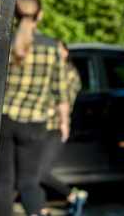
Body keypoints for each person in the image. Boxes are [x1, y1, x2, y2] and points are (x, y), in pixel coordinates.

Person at [0, 0, 69, 216]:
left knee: (3, 183)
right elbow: (61, 90)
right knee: (29, 182)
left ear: (15, 15)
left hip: (3, 122)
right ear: (40, 15)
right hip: (34, 124)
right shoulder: (51, 48)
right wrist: (64, 122)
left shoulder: (2, 43)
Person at [38, 40, 88, 216]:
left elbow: (65, 99)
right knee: (34, 172)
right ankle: (41, 209)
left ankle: (72, 195)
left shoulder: (71, 74)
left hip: (56, 128)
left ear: (66, 53)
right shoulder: (47, 71)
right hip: (40, 126)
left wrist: (49, 109)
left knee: (41, 172)